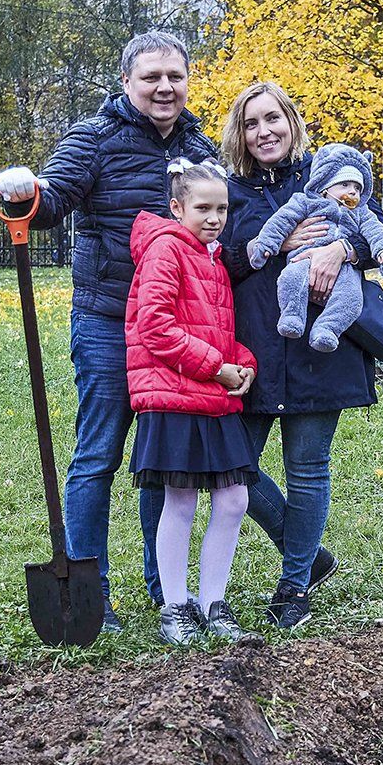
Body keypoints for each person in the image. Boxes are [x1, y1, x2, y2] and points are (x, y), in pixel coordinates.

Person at [0, 31, 218, 632]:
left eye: (175, 76)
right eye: (152, 77)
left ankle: (163, 591)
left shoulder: (200, 148)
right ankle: (90, 595)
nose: (165, 87)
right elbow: (53, 198)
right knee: (98, 456)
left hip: (172, 330)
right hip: (108, 320)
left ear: (188, 80)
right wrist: (26, 197)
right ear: (127, 83)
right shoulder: (93, 138)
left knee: (161, 460)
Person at [219, 81, 383, 628]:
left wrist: (341, 248)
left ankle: (293, 588)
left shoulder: (330, 173)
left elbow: (380, 234)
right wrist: (277, 246)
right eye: (251, 123)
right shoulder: (230, 191)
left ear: (292, 122)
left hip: (322, 350)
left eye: (274, 119)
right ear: (239, 134)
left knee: (308, 470)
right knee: (233, 465)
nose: (264, 131)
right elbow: (218, 260)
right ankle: (309, 555)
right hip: (259, 347)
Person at [126, 159, 261, 645]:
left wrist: (241, 362)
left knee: (234, 498)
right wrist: (216, 367)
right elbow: (155, 327)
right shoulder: (166, 250)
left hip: (213, 392)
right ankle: (175, 607)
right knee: (179, 501)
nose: (214, 217)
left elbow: (220, 330)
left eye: (222, 208)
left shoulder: (214, 257)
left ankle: (213, 602)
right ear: (177, 207)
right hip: (174, 395)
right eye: (202, 208)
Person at [249, 142, 383, 352]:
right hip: (303, 259)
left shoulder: (362, 212)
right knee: (291, 279)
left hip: (345, 270)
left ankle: (327, 329)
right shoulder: (305, 202)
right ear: (326, 185)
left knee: (351, 299)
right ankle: (292, 317)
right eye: (345, 185)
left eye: (357, 188)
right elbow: (280, 221)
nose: (353, 192)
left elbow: (378, 232)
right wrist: (266, 243)